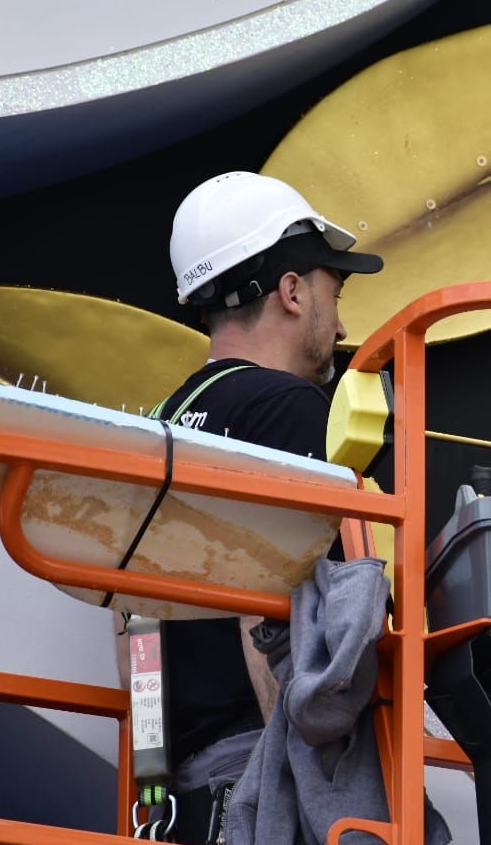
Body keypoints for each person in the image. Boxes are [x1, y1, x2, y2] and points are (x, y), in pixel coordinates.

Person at [150, 170, 384, 842]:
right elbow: (287, 613)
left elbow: (129, 621)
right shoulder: (289, 410)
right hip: (261, 779)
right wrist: (303, 787)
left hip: (183, 785)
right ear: (290, 292)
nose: (338, 325)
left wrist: (147, 786)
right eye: (331, 293)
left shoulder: (167, 419)